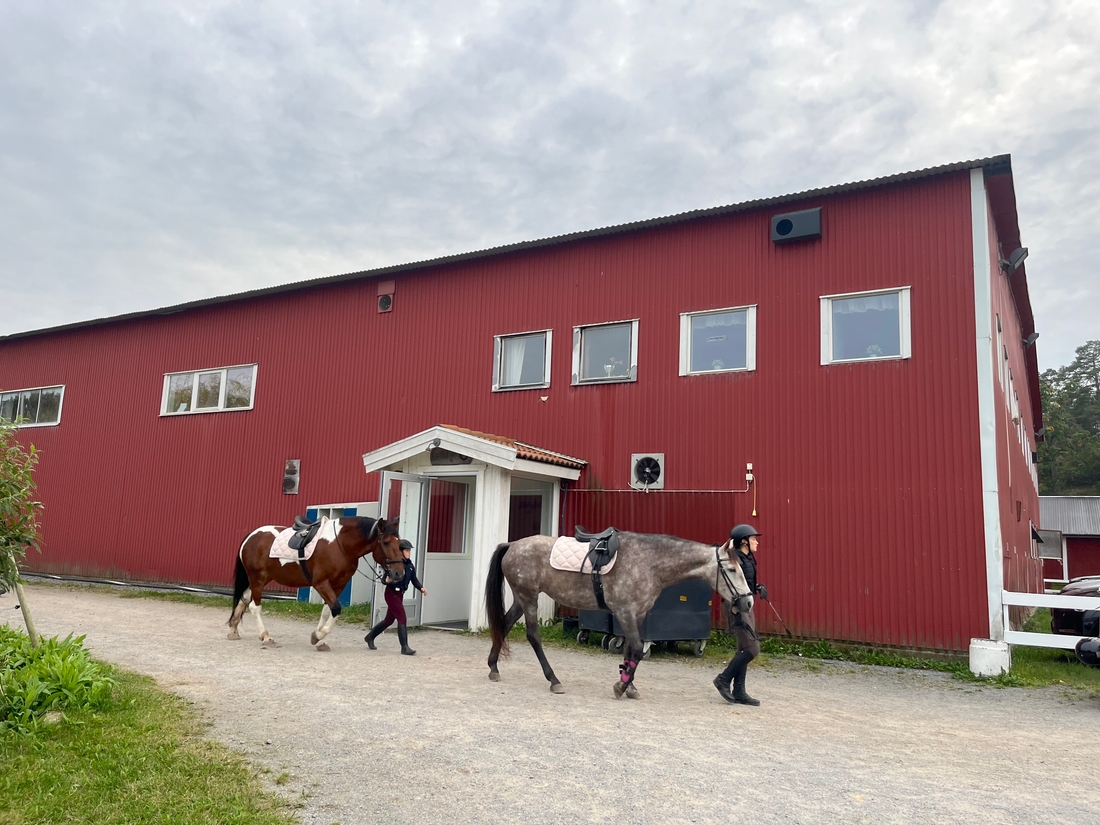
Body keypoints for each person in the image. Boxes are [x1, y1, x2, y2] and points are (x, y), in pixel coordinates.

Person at [713, 523, 767, 706]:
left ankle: (739, 691)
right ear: (743, 541)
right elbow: (730, 584)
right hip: (737, 607)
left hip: (748, 604)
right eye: (753, 539)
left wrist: (757, 588)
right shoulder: (733, 560)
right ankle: (723, 679)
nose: (756, 543)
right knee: (752, 648)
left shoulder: (748, 557)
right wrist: (734, 609)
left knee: (743, 649)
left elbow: (746, 583)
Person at [364, 539, 427, 655]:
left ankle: (370, 637)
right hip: (391, 594)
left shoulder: (410, 565)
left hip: (400, 594)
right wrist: (386, 580)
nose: (409, 553)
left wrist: (421, 588)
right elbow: (385, 578)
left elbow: (414, 580)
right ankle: (404, 647)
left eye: (409, 551)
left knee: (389, 620)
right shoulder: (397, 565)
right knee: (402, 618)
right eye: (407, 550)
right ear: (401, 552)